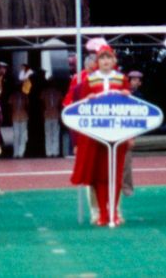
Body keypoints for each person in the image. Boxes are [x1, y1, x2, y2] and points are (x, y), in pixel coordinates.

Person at [67, 43, 130, 226]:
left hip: (117, 134)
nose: (105, 62)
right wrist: (87, 100)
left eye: (108, 57)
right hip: (94, 135)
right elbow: (79, 108)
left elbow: (130, 110)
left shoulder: (121, 79)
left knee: (116, 174)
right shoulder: (89, 81)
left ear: (114, 60)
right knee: (97, 174)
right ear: (97, 61)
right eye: (102, 58)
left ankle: (114, 210)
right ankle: (99, 212)